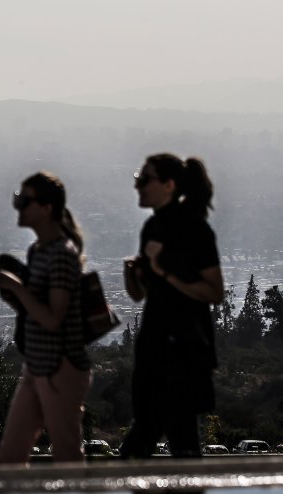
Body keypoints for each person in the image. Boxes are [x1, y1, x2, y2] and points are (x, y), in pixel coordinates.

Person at [120, 153, 224, 458]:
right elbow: (141, 295)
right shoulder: (152, 227)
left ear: (169, 185)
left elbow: (214, 291)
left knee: (156, 434)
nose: (138, 187)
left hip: (183, 348)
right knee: (173, 435)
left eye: (144, 180)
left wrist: (164, 270)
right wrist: (135, 274)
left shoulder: (195, 230)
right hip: (155, 342)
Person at [0, 171, 92, 463]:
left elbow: (53, 319)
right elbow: (39, 311)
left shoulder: (62, 254)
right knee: (11, 454)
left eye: (24, 201)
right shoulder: (38, 251)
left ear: (46, 208)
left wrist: (15, 287)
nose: (18, 207)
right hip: (37, 366)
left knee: (66, 454)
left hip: (59, 367)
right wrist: (17, 297)